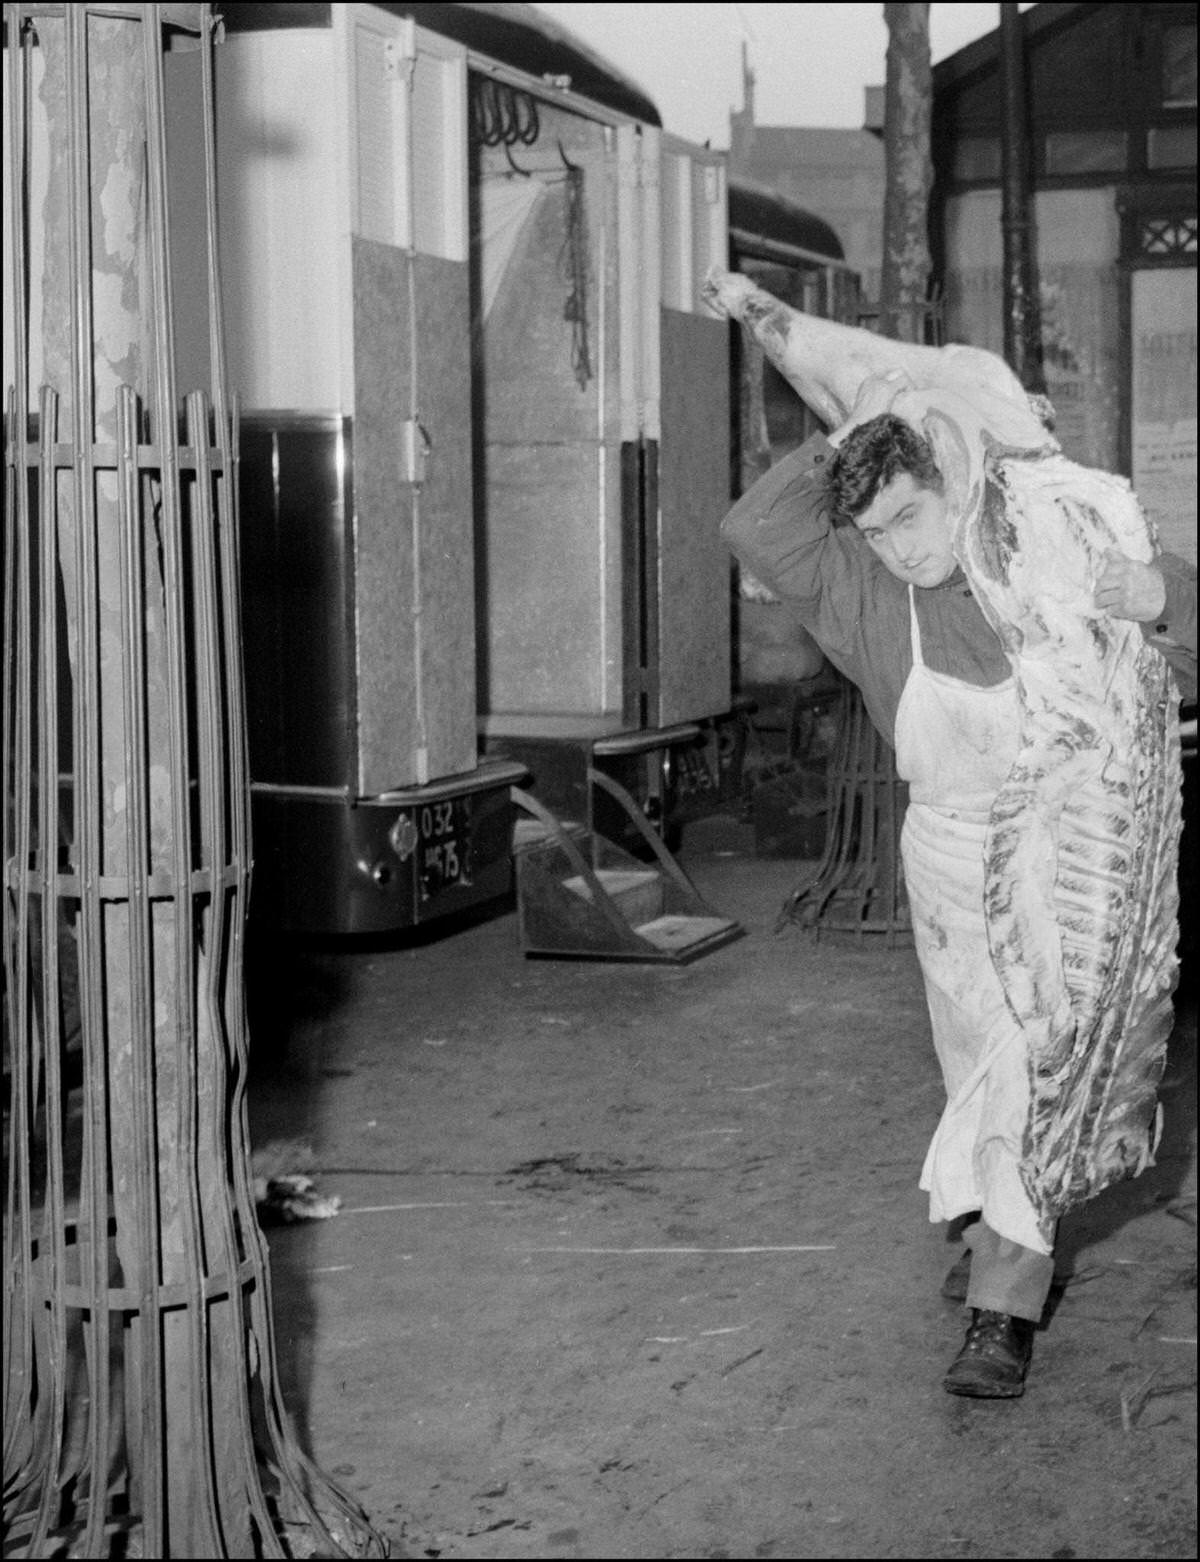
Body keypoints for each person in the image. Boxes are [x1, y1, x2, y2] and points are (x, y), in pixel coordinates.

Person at [721, 373, 1192, 1400]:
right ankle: (994, 1228)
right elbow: (755, 527)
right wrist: (854, 425)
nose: (902, 546)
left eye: (911, 515)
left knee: (1035, 1067)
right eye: (878, 530)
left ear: (954, 483)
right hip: (942, 862)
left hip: (1062, 854)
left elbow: (1178, 658)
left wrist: (1163, 595)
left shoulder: (1046, 556)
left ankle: (1003, 1311)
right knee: (977, 1061)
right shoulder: (864, 596)